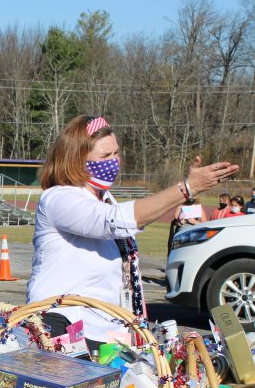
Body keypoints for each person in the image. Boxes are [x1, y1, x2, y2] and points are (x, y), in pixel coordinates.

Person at [27, 114, 238, 351]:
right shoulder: (59, 198)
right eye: (105, 156)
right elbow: (113, 221)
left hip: (104, 331)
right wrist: (185, 188)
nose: (114, 161)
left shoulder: (106, 199)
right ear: (76, 160)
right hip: (62, 325)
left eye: (116, 153)